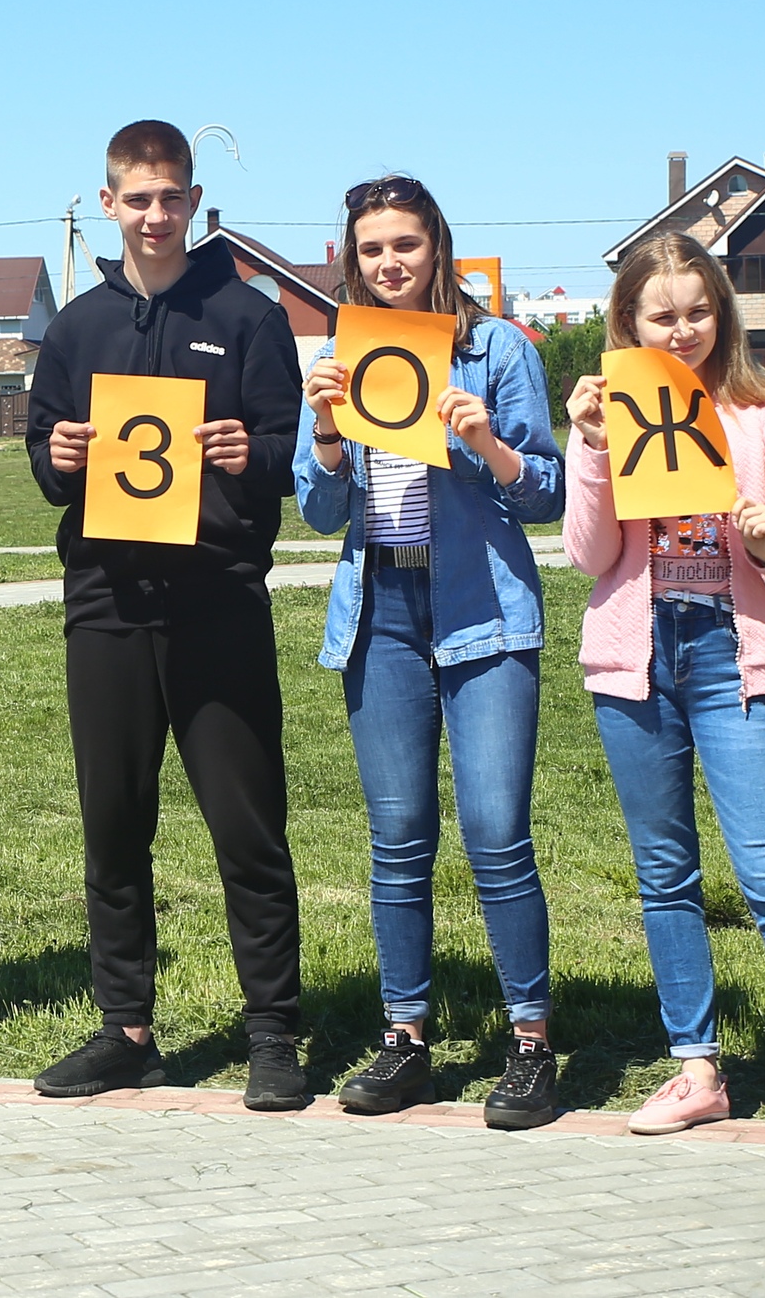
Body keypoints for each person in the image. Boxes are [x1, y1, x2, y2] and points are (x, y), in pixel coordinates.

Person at [563, 232, 765, 1175]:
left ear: (724, 313)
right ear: (628, 322)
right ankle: (698, 1068)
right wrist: (590, 448)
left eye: (700, 310)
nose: (684, 328)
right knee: (665, 876)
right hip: (636, 658)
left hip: (734, 656)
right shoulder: (610, 413)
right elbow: (588, 554)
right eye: (663, 315)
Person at [21, 120, 309, 1110]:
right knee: (113, 826)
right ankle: (125, 1030)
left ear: (194, 201)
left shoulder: (248, 315)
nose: (154, 215)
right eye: (137, 198)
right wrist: (57, 456)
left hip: (216, 601)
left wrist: (248, 453)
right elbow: (43, 456)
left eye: (170, 197)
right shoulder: (75, 327)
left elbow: (290, 452)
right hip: (105, 604)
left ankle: (272, 1029)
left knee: (247, 826)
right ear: (108, 202)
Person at [294, 176, 565, 1126]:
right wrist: (327, 433)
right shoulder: (339, 356)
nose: (389, 263)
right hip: (382, 613)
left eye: (405, 243)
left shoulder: (496, 349)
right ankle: (405, 1037)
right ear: (351, 260)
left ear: (437, 245)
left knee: (496, 832)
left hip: (483, 606)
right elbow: (318, 508)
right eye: (371, 249)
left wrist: (487, 443)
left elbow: (549, 493)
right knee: (399, 837)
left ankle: (531, 1043)